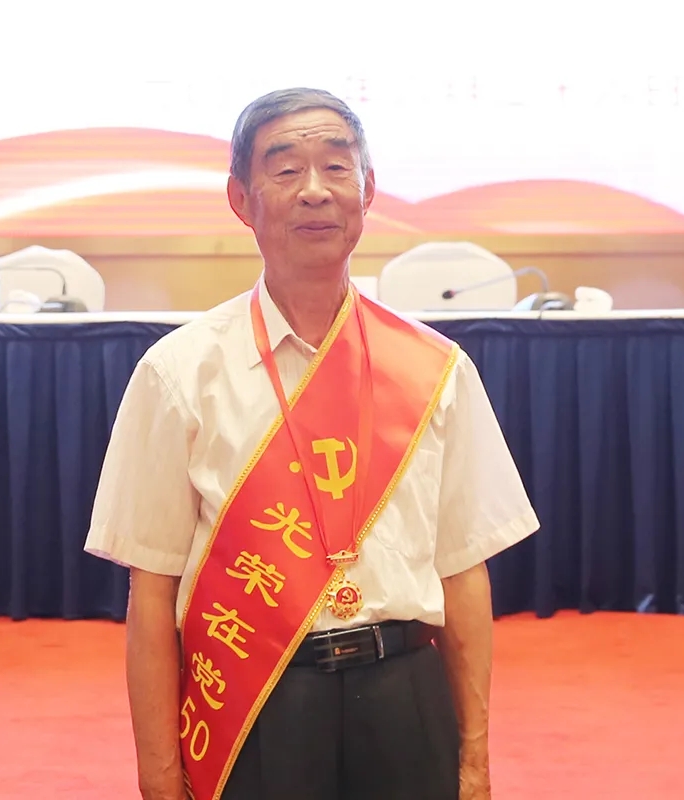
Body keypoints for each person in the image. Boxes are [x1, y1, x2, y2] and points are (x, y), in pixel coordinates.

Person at [84, 87, 540, 800]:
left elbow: (463, 572)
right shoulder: (180, 372)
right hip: (258, 704)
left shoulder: (436, 369)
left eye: (336, 166)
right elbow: (152, 589)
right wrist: (161, 776)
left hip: (404, 695)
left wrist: (476, 761)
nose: (316, 190)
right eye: (287, 169)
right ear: (241, 199)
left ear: (368, 190)